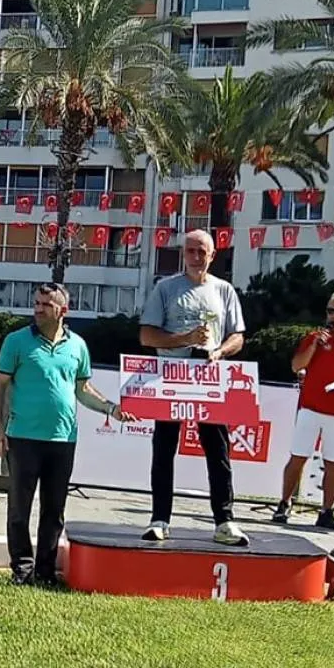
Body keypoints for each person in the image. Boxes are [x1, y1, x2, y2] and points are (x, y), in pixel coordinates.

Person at [0, 283, 134, 586]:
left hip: (63, 439)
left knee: (54, 509)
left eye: (46, 304)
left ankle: (45, 571)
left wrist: (112, 409)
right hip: (23, 437)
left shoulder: (77, 346)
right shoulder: (16, 341)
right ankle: (22, 570)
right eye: (36, 303)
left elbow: (83, 389)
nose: (38, 309)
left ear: (63, 310)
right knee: (19, 508)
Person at [139, 229, 249, 546]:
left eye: (202, 251)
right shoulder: (166, 288)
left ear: (213, 255)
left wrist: (219, 351)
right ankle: (160, 519)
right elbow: (146, 336)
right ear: (182, 254)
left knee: (218, 449)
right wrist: (185, 339)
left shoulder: (224, 290)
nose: (196, 257)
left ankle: (224, 520)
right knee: (164, 447)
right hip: (171, 376)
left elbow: (237, 337)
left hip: (209, 376)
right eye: (191, 250)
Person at [272, 293, 334, 530]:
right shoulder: (314, 338)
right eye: (329, 311)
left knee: (333, 463)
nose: (332, 316)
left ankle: (326, 511)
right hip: (310, 408)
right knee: (298, 457)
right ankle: (284, 503)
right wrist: (315, 345)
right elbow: (296, 365)